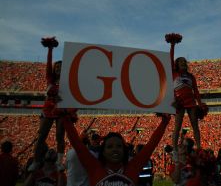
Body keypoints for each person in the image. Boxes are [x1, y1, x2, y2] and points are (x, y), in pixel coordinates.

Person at [63, 113, 170, 186]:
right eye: (109, 147)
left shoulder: (132, 168)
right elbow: (77, 144)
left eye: (119, 146)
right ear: (103, 151)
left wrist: (164, 122)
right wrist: (65, 119)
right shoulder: (95, 168)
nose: (115, 149)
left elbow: (151, 146)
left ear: (124, 150)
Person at [29, 37, 67, 171]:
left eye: (61, 67)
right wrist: (50, 49)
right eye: (56, 67)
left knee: (59, 137)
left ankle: (59, 162)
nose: (58, 69)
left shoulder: (67, 83)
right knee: (42, 136)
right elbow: (49, 62)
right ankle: (36, 160)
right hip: (47, 110)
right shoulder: (49, 79)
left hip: (61, 110)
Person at [166, 33, 207, 151]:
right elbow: (170, 60)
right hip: (179, 101)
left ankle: (199, 148)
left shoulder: (191, 76)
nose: (184, 63)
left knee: (195, 126)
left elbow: (197, 91)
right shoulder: (174, 73)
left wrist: (200, 104)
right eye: (181, 62)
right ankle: (174, 149)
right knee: (177, 126)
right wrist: (172, 45)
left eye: (185, 61)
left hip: (191, 102)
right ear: (177, 64)